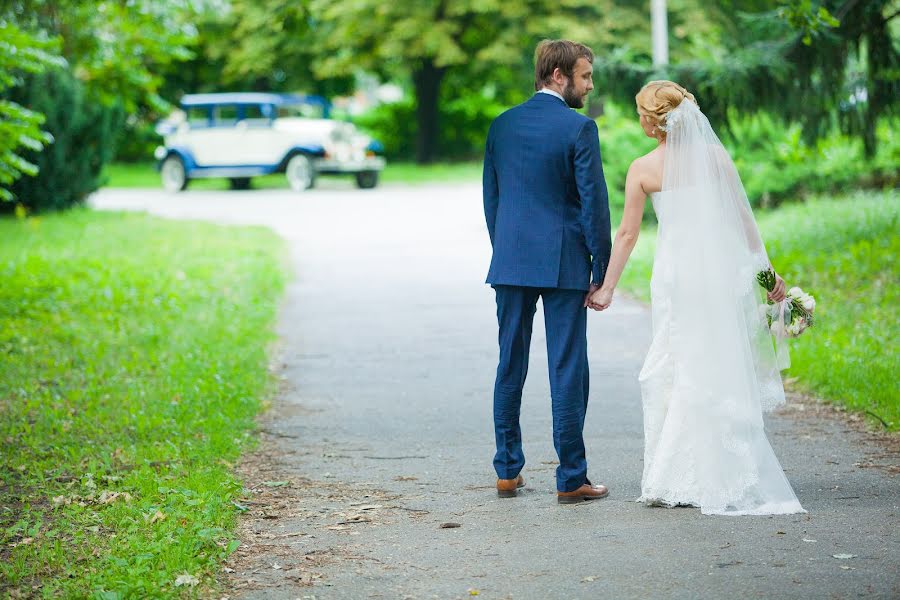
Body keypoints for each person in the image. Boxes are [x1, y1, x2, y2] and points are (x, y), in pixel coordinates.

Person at [587, 80, 805, 515]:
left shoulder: (642, 169)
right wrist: (768, 274)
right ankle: (720, 465)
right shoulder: (715, 158)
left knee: (675, 360)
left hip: (676, 276)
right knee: (717, 358)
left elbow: (628, 234)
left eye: (642, 114)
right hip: (719, 273)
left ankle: (675, 472)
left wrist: (608, 285)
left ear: (654, 123)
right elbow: (744, 220)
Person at [483, 39, 612, 504]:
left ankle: (506, 471)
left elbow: (492, 201)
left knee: (509, 364)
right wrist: (600, 265)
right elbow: (594, 203)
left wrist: (508, 251)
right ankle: (571, 478)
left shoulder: (501, 126)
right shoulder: (579, 129)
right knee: (568, 367)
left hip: (512, 262)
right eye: (585, 76)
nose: (589, 85)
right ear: (558, 76)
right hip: (564, 263)